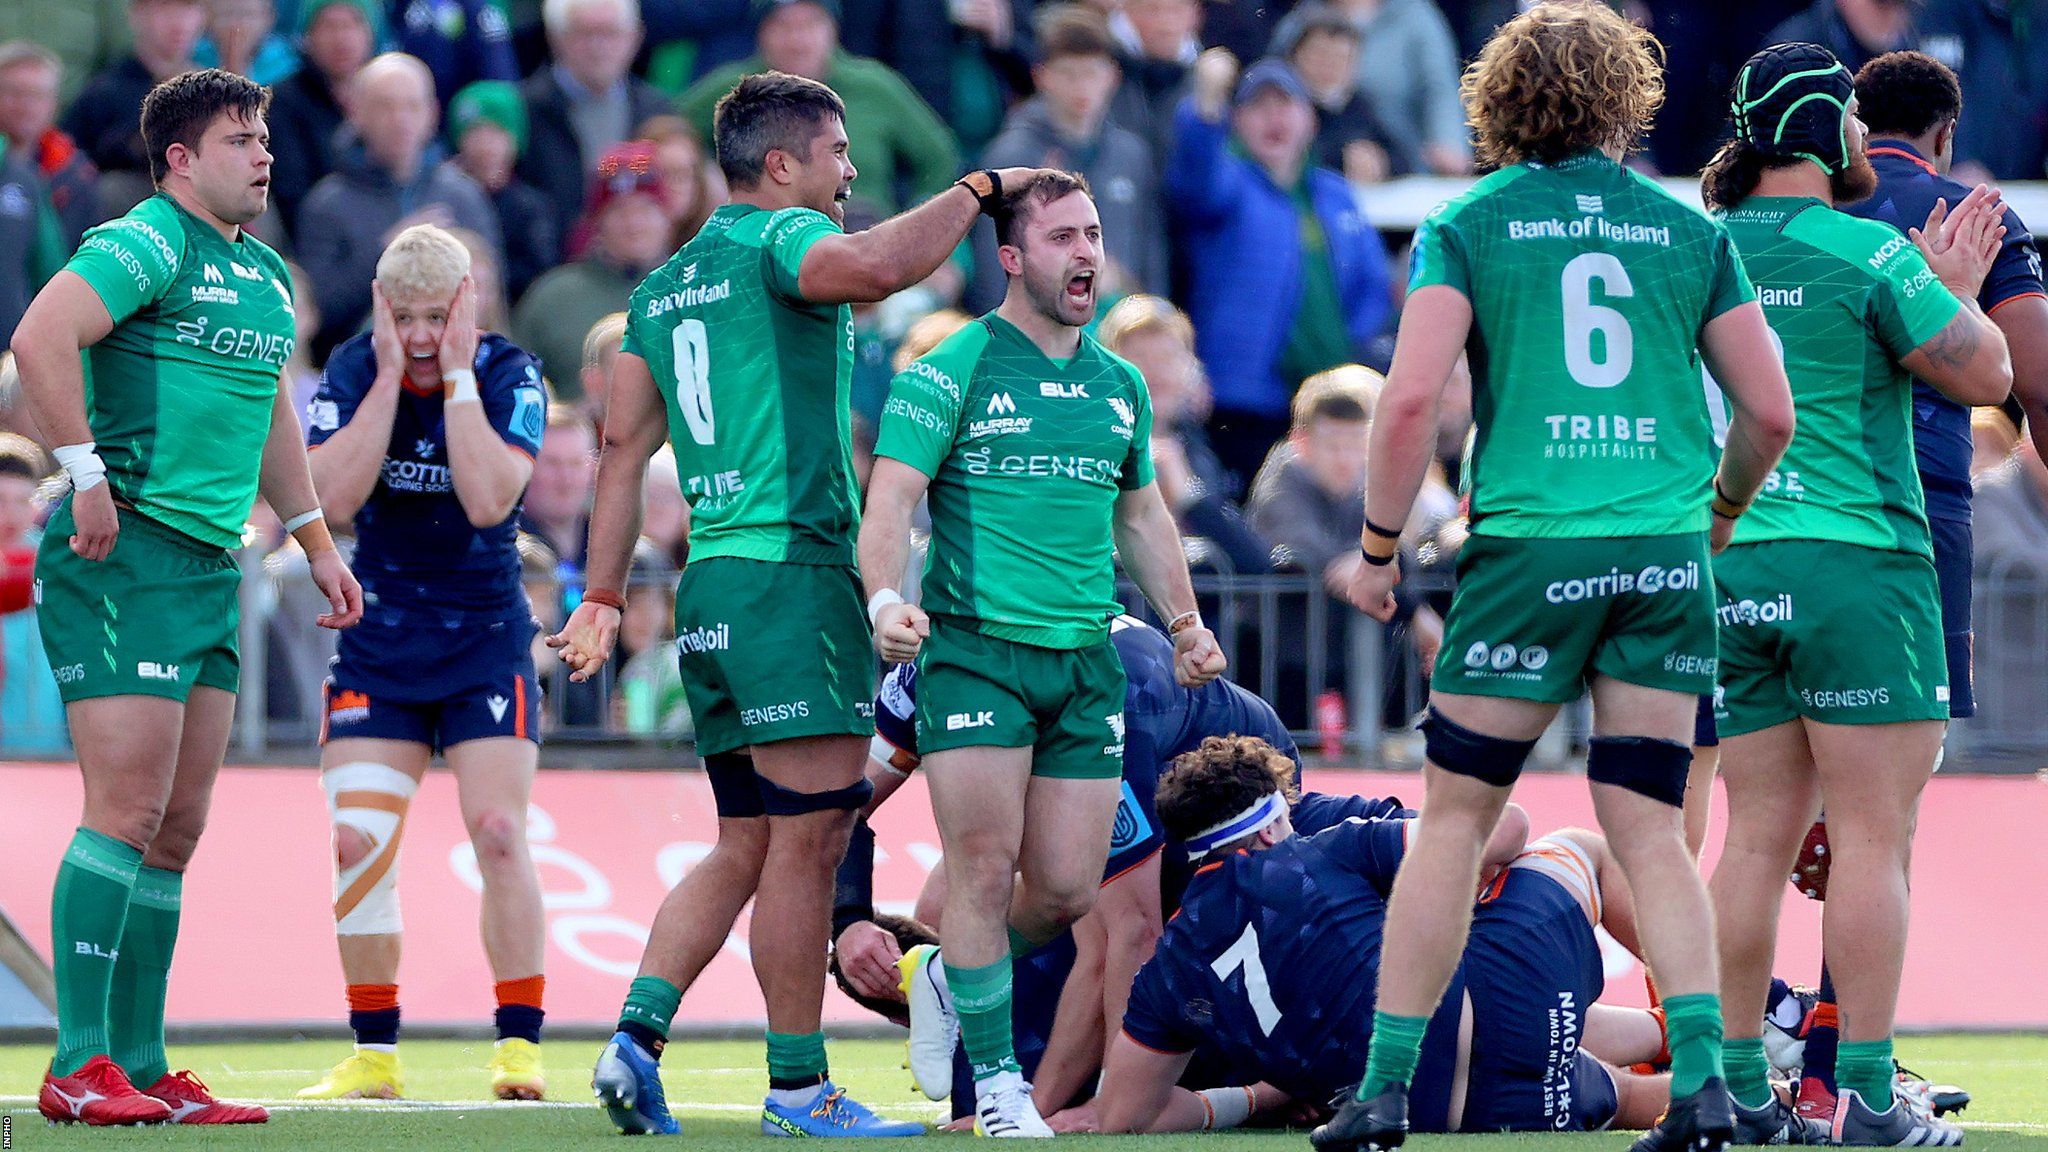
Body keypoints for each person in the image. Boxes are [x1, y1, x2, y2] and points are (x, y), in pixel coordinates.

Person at [1321, 7, 1799, 1151]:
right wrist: (1718, 512)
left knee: (1453, 822)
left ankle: (1383, 1092)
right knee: (1649, 833)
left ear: (1499, 100)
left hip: (1530, 552)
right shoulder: (1686, 229)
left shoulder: (1467, 221)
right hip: (1661, 554)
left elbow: (1404, 401)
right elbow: (1769, 409)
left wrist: (1380, 550)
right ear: (1620, 100)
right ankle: (1701, 1091)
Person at [546, 70, 1053, 1137]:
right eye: (835, 157)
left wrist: (600, 591)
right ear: (779, 167)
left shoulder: (660, 286)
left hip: (711, 586)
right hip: (793, 578)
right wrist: (975, 188)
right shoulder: (777, 242)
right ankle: (795, 1086)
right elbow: (873, 265)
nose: (850, 173)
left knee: (743, 843)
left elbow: (621, 449)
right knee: (807, 844)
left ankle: (634, 1040)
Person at [13, 67, 362, 1126]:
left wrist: (314, 539)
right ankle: (76, 1065)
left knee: (176, 826)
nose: (263, 153)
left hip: (212, 564)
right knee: (125, 808)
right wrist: (85, 476)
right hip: (125, 552)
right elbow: (39, 336)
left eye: (263, 136)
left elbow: (269, 419)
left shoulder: (262, 276)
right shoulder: (144, 240)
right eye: (238, 139)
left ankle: (144, 1065)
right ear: (179, 158)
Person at [861, 170, 1227, 1137]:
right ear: (1012, 258)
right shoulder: (949, 370)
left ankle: (944, 971)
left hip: (1084, 663)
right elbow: (892, 499)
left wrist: (1185, 623)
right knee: (982, 869)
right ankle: (999, 1089)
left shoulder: (1119, 385)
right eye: (1063, 236)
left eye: (1095, 233)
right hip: (977, 655)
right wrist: (884, 599)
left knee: (1065, 890)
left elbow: (1141, 512)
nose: (1087, 254)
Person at [1698, 42, 2011, 1148]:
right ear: (1835, 133)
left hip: (1729, 564)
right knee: (1872, 841)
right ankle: (1870, 1100)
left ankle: (1737, 1090)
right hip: (1860, 563)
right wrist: (1955, 291)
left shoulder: (1702, 246)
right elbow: (1986, 375)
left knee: (1746, 844)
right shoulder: (1869, 248)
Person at [831, 616, 1377, 1121]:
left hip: (1217, 792)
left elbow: (1128, 938)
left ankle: (1267, 1087)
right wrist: (850, 918)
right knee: (951, 901)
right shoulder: (925, 673)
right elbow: (842, 810)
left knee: (1132, 979)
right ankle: (946, 977)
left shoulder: (1102, 706)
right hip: (1111, 753)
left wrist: (1088, 1106)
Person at [1085, 736, 1673, 1136]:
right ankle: (1725, 1014)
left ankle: (1714, 1070)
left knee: (1621, 1098)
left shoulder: (1168, 971)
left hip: (1434, 1115)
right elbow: (1506, 828)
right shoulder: (1322, 848)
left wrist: (1261, 1099)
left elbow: (1126, 1117)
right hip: (1503, 1010)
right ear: (1267, 833)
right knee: (1582, 849)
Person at [292, 224, 551, 1102]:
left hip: (484, 640)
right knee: (356, 841)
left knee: (500, 834)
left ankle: (519, 1045)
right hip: (381, 636)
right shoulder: (356, 369)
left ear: (469, 305)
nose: (419, 335)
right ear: (380, 307)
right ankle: (374, 1052)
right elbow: (329, 497)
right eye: (403, 316)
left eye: (437, 316)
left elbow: (487, 498)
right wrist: (388, 376)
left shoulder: (512, 373)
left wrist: (458, 378)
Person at [1167, 51, 1393, 489]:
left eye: (1285, 103)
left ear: (1309, 118)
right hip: (1244, 398)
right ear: (1236, 120)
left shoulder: (1335, 194)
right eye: (1258, 106)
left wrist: (1357, 356)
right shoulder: (1229, 185)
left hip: (1327, 398)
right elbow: (1194, 177)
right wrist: (1205, 105)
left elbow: (1371, 287)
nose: (1275, 118)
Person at [297, 52, 502, 361]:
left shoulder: (463, 195)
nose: (400, 120)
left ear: (432, 114)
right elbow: (319, 310)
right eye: (385, 106)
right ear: (357, 112)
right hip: (361, 369)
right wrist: (386, 253)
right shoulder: (327, 203)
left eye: (412, 106)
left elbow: (493, 293)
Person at [679, 0, 960, 219]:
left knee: (944, 275)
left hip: (866, 234)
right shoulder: (733, 90)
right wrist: (703, 181)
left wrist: (920, 211)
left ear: (833, 28)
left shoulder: (875, 85)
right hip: (761, 242)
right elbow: (657, 136)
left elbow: (941, 157)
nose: (798, 40)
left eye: (811, 25)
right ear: (760, 32)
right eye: (783, 26)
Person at [969, 5, 1165, 312]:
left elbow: (1151, 258)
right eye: (1068, 74)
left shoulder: (1132, 155)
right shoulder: (1010, 156)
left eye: (1090, 73)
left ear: (1112, 77)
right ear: (1041, 76)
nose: (1081, 87)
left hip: (1119, 330)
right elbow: (992, 268)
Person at [510, 141, 673, 401]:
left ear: (667, 216)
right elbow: (517, 390)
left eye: (645, 208)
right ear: (596, 221)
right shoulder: (552, 298)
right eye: (619, 210)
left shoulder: (696, 290)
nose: (633, 224)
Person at [516, 0, 672, 252]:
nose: (598, 47)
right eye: (584, 34)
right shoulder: (524, 112)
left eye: (610, 33)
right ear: (555, 38)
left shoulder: (657, 112)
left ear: (635, 37)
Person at [62, 0, 205, 195]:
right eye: (164, 9)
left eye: (187, 9)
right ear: (136, 15)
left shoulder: (214, 89)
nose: (178, 22)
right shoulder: (104, 93)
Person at [265, 0, 377, 235]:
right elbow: (292, 196)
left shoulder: (388, 95)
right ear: (307, 36)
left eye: (352, 24)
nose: (341, 38)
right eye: (329, 26)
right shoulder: (284, 103)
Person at [447, 80, 558, 301]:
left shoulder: (531, 208)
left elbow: (540, 271)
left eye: (497, 132)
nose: (486, 145)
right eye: (475, 132)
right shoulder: (447, 199)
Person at [0, 42, 100, 247]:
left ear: (53, 103)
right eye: (14, 92)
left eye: (37, 94)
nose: (25, 105)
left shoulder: (75, 174)